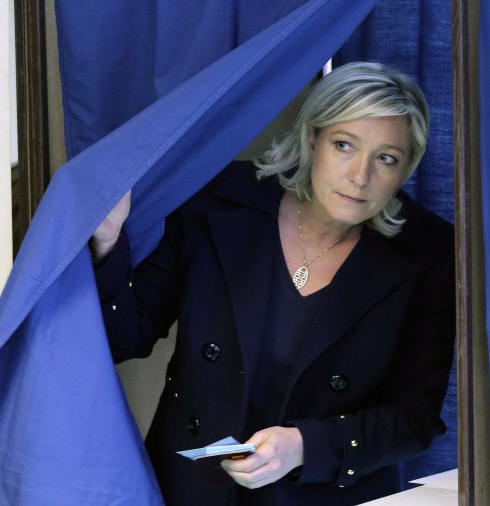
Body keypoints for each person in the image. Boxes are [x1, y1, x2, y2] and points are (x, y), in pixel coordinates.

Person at [89, 61, 455, 506]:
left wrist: (305, 446)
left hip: (327, 496)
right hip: (191, 491)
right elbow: (125, 336)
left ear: (407, 168)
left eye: (386, 159)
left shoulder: (428, 251)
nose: (361, 176)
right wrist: (107, 244)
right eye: (344, 145)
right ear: (312, 139)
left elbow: (413, 418)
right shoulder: (220, 201)